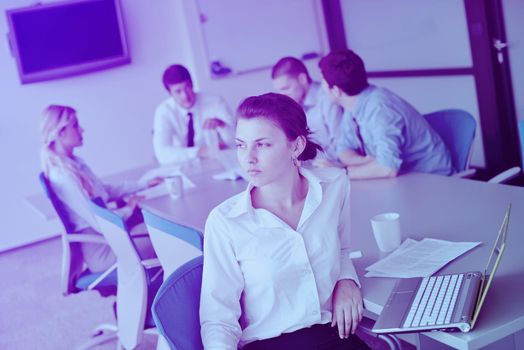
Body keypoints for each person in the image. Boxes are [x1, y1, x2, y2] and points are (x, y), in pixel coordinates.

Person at [200, 93, 370, 349]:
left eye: (263, 145)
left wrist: (346, 280)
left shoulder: (334, 185)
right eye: (240, 145)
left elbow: (341, 247)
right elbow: (218, 320)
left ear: (296, 146)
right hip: (269, 343)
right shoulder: (225, 222)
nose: (248, 158)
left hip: (331, 335)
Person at [41, 105, 158, 273]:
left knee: (154, 227)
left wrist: (144, 184)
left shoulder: (73, 163)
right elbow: (99, 223)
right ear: (60, 133)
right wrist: (128, 209)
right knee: (162, 236)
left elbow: (105, 190)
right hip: (103, 250)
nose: (82, 129)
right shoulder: (64, 177)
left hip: (110, 238)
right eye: (75, 125)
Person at [318, 50, 453, 179]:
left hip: (434, 179)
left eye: (322, 82)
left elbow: (388, 168)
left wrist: (342, 172)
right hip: (404, 179)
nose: (321, 87)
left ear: (336, 90)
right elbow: (344, 151)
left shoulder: (380, 108)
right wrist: (368, 162)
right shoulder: (352, 106)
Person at [153, 64, 235, 164]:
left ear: (192, 84)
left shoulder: (215, 102)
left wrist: (222, 125)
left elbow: (235, 141)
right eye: (178, 91)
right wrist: (199, 152)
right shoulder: (164, 111)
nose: (185, 96)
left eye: (187, 87)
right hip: (181, 165)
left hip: (213, 162)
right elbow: (162, 154)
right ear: (170, 93)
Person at [271, 56, 343, 164]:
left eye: (285, 88)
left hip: (335, 166)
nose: (282, 95)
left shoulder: (328, 98)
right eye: (279, 91)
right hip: (316, 165)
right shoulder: (295, 102)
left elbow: (342, 147)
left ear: (302, 79)